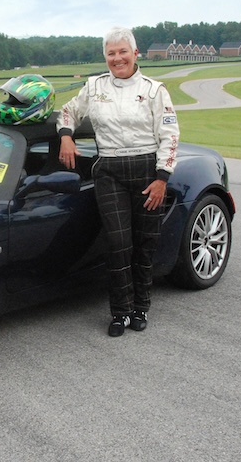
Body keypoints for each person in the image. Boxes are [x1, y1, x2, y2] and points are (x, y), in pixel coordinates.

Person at [56, 26, 179, 337]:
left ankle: (141, 307)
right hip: (109, 171)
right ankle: (120, 312)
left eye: (123, 51)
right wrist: (66, 136)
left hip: (147, 172)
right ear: (105, 57)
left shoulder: (155, 90)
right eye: (111, 53)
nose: (117, 58)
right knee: (118, 243)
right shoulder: (94, 86)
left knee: (145, 243)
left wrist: (162, 178)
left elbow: (170, 135)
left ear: (135, 53)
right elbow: (68, 112)